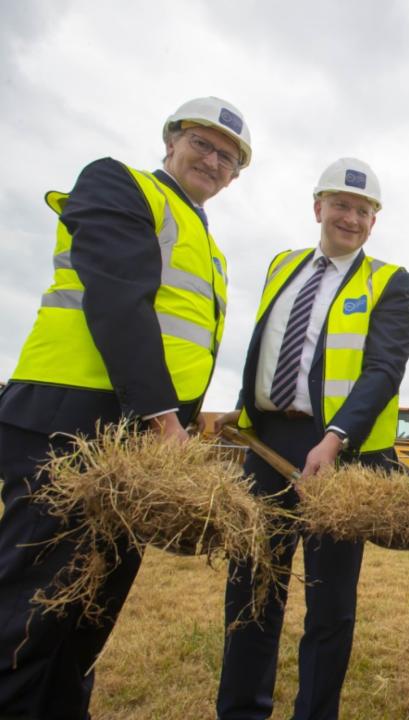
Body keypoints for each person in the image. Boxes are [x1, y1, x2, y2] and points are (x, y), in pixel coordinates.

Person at [0, 96, 251, 719]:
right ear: (169, 141)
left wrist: (186, 424)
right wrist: (166, 422)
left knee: (88, 615)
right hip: (70, 433)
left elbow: (179, 340)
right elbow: (118, 301)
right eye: (201, 143)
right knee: (31, 614)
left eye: (228, 157)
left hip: (137, 444)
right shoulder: (119, 183)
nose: (212, 161)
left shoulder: (207, 244)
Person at [214, 158, 409, 720]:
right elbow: (266, 347)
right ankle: (239, 710)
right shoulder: (281, 265)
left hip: (337, 453)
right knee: (251, 589)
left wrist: (333, 440)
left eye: (362, 210)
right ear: (318, 208)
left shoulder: (390, 282)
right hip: (265, 445)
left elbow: (382, 371)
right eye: (341, 205)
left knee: (329, 604)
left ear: (373, 222)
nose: (350, 218)